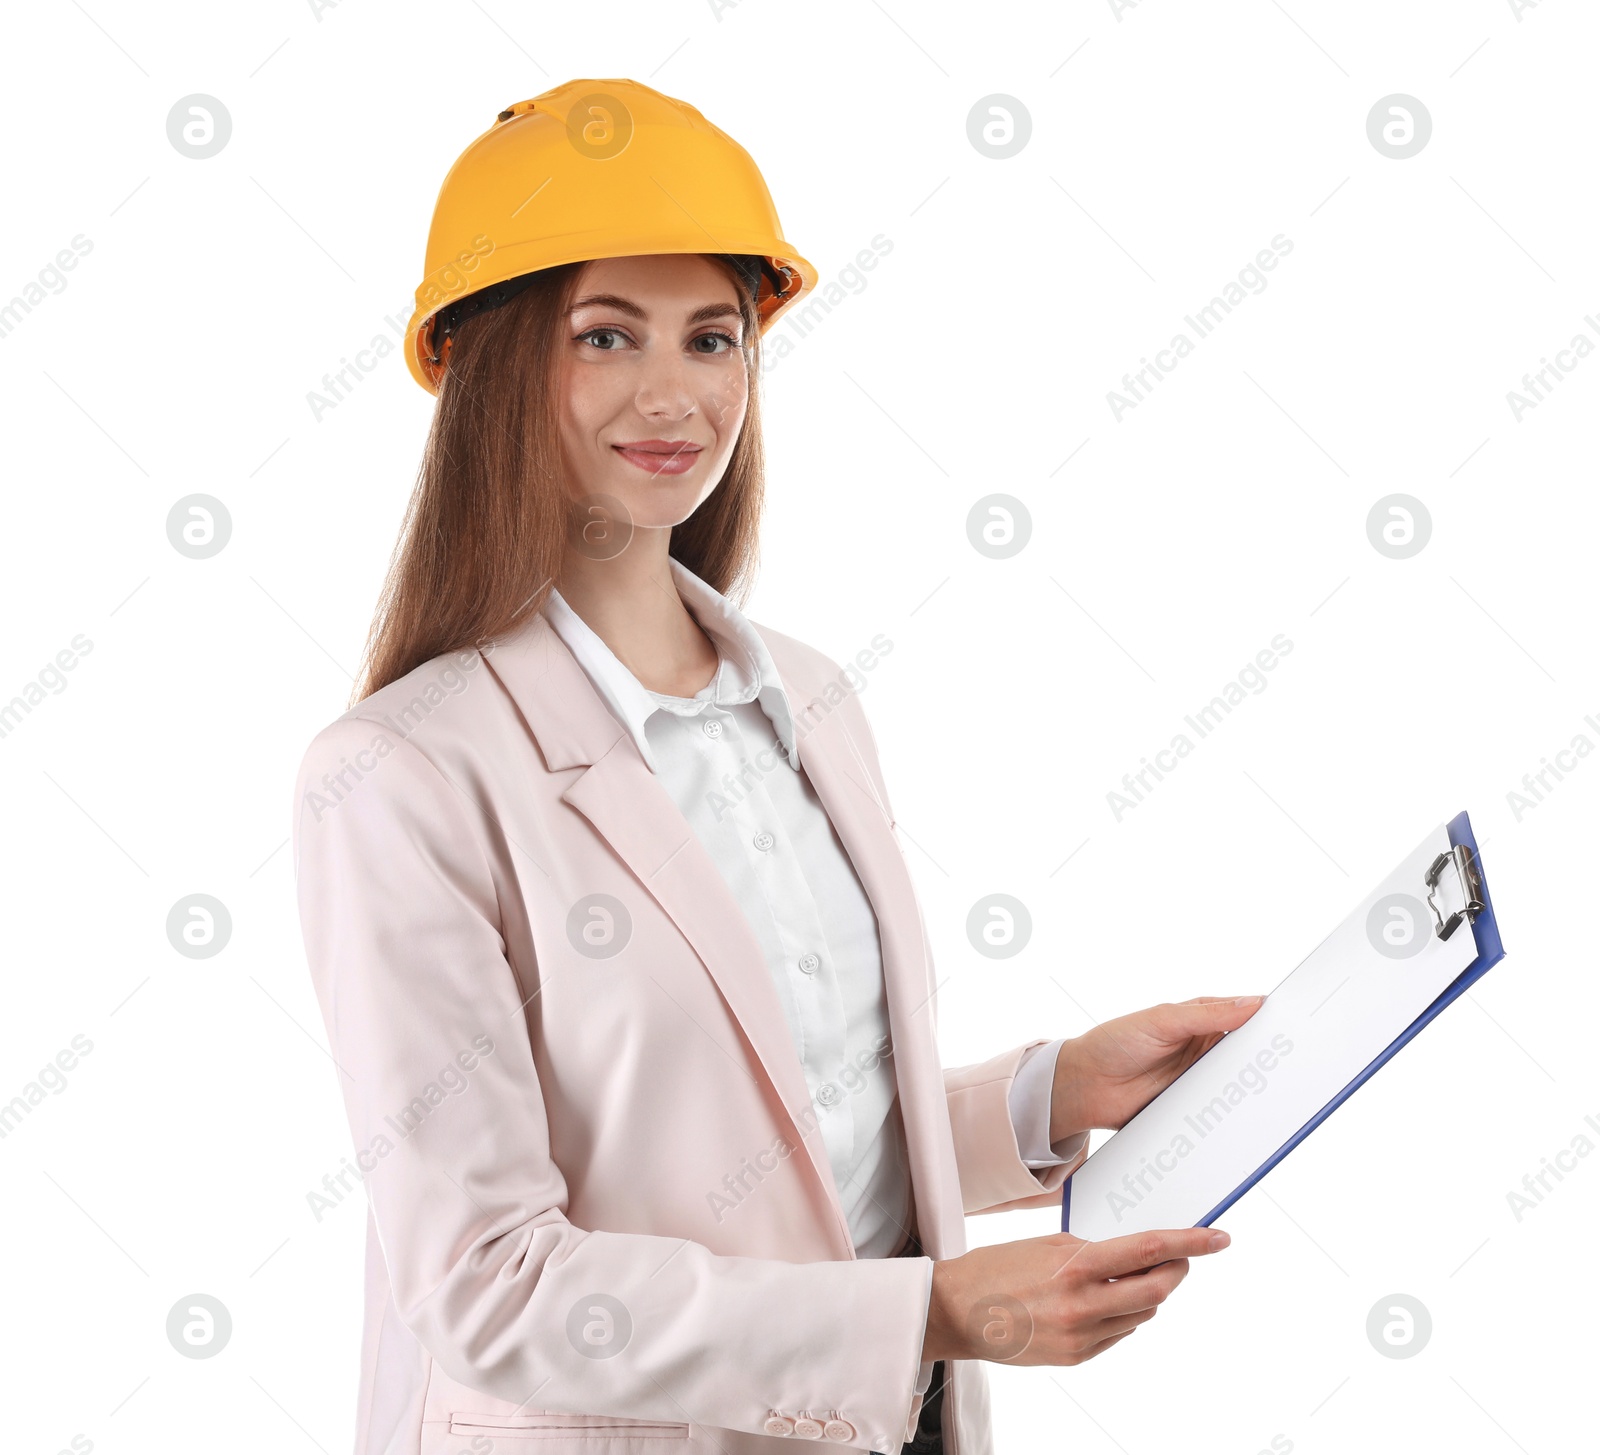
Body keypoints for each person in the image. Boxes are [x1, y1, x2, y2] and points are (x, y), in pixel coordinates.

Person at [292, 78, 1260, 1455]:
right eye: (605, 334)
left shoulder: (802, 696)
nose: (673, 392)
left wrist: (1055, 1096)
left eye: (714, 336)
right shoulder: (403, 775)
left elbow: (784, 1138)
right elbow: (489, 1285)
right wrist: (930, 1313)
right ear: (497, 361)